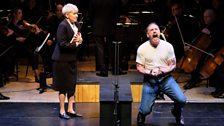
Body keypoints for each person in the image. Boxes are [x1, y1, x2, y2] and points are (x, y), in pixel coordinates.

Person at [136, 22, 186, 126]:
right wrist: (149, 72)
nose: (154, 31)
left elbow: (173, 65)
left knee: (181, 100)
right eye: (151, 30)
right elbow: (139, 67)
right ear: (148, 35)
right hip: (150, 82)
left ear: (159, 32)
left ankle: (176, 111)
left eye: (156, 29)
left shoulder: (168, 46)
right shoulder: (142, 48)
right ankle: (141, 114)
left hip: (166, 80)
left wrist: (164, 70)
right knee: (145, 110)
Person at [51, 3, 83, 120]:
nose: (76, 16)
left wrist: (80, 40)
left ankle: (70, 109)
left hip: (71, 59)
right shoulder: (62, 26)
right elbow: (62, 44)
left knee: (71, 85)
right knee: (63, 86)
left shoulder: (77, 25)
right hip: (61, 60)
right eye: (74, 13)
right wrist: (77, 44)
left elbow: (78, 37)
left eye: (76, 13)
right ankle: (62, 110)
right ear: (67, 15)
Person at [183, 8, 223, 89]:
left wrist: (211, 34)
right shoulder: (205, 26)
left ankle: (195, 79)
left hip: (216, 50)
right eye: (204, 17)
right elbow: (197, 40)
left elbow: (220, 40)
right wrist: (189, 46)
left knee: (201, 59)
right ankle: (195, 78)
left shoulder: (218, 26)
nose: (205, 19)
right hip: (205, 49)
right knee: (198, 58)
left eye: (207, 17)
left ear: (213, 17)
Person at [88, 0, 127, 77]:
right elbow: (117, 14)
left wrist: (93, 23)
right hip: (110, 26)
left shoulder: (93, 1)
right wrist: (113, 23)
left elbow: (90, 14)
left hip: (97, 25)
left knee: (100, 49)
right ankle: (115, 69)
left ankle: (103, 70)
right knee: (112, 49)